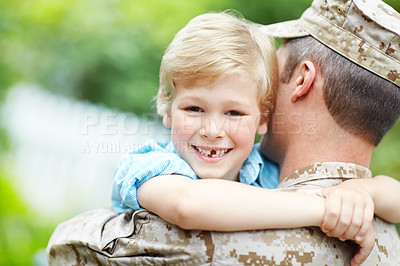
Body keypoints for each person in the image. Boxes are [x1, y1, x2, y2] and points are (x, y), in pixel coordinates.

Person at [47, 0, 400, 265]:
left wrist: (358, 193)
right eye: (194, 109)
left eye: (234, 112)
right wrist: (327, 206)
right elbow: (187, 204)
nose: (214, 130)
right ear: (167, 109)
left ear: (265, 113)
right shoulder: (153, 166)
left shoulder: (260, 169)